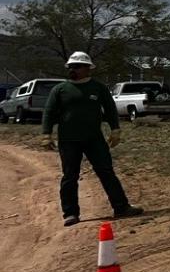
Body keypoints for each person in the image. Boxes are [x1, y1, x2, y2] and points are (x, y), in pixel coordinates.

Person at [42, 52, 143, 226]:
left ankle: (121, 207)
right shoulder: (60, 90)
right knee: (69, 176)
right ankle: (70, 213)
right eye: (71, 66)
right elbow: (49, 112)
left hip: (94, 139)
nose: (73, 69)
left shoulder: (98, 88)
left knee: (106, 172)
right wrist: (46, 134)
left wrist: (115, 129)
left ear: (88, 69)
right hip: (68, 140)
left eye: (77, 66)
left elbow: (110, 108)